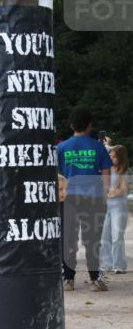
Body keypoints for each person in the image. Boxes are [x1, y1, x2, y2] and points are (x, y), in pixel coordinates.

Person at [57, 108, 112, 291]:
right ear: (90, 125)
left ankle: (68, 280)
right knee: (93, 239)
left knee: (68, 238)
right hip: (93, 198)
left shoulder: (61, 147)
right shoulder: (98, 147)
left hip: (68, 198)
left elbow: (56, 175)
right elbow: (106, 175)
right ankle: (96, 279)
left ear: (72, 125)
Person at [99, 144, 129, 275]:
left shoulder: (123, 171)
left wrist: (112, 192)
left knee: (117, 236)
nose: (111, 158)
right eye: (110, 156)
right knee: (104, 236)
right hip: (105, 206)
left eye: (114, 157)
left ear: (120, 158)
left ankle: (119, 265)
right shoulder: (106, 169)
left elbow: (124, 189)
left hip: (119, 205)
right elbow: (104, 148)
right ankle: (107, 264)